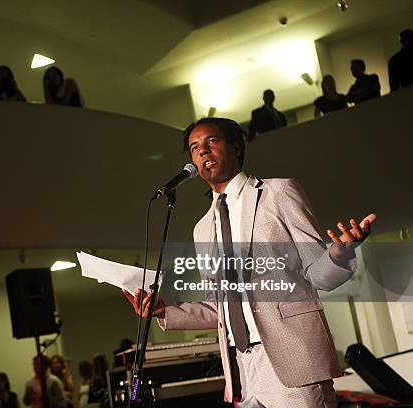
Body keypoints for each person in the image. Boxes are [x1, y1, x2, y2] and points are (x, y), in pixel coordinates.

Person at [124, 117, 377, 406]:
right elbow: (218, 307)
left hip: (293, 359)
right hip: (242, 371)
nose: (203, 151)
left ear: (235, 147)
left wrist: (339, 254)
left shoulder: (278, 193)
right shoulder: (203, 228)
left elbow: (317, 274)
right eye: (195, 147)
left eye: (211, 141)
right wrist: (164, 310)